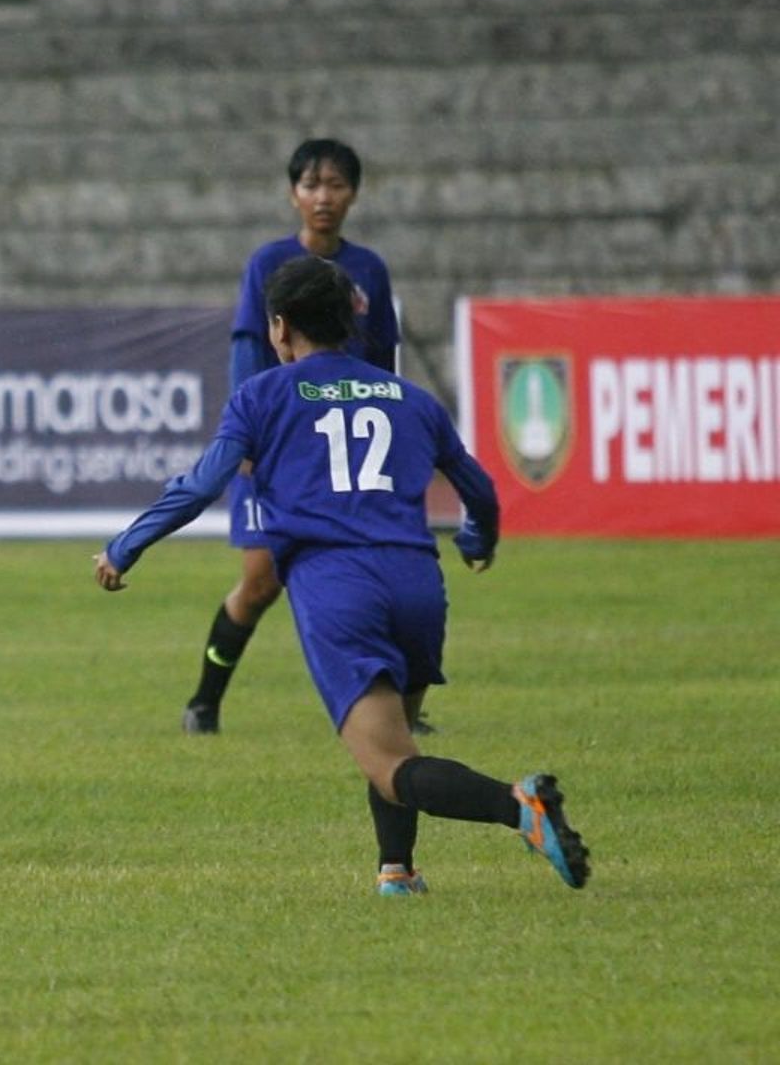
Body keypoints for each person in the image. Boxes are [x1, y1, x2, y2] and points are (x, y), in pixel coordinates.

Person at [93, 255, 590, 895]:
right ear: (350, 320)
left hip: (337, 587)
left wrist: (126, 546)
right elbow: (480, 490)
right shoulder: (409, 397)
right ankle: (397, 872)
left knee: (389, 762)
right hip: (417, 582)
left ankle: (520, 807)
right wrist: (476, 539)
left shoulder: (261, 396)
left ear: (279, 327)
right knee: (394, 736)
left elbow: (201, 486)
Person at [182, 138, 415, 736]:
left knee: (375, 574)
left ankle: (397, 708)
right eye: (312, 185)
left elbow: (384, 359)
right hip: (280, 448)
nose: (323, 197)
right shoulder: (268, 264)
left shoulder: (369, 270)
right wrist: (248, 437)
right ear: (293, 195)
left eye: (335, 185)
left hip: (344, 451)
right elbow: (247, 349)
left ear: (354, 194)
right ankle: (204, 702)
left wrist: (393, 428)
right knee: (261, 582)